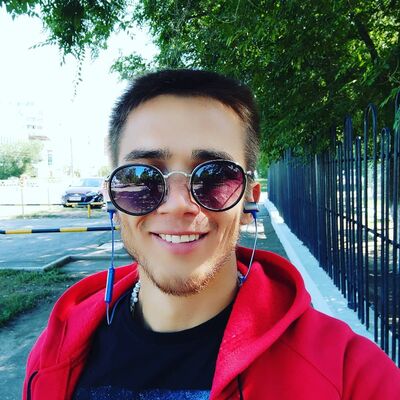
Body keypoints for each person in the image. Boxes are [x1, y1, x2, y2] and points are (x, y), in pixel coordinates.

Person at [24, 69, 400, 399]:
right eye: (142, 177)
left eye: (215, 176)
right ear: (112, 197)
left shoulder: (350, 375)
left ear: (249, 201)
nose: (177, 205)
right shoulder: (55, 353)